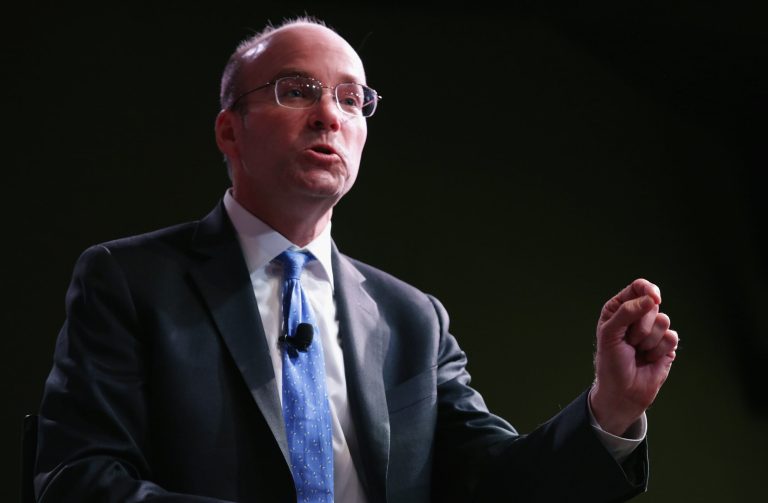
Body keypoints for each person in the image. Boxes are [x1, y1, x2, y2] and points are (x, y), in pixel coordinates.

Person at [34, 16, 679, 503]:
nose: (328, 116)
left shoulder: (411, 319)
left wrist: (610, 409)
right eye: (297, 90)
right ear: (230, 130)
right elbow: (78, 478)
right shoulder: (129, 280)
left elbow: (497, 485)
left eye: (350, 99)